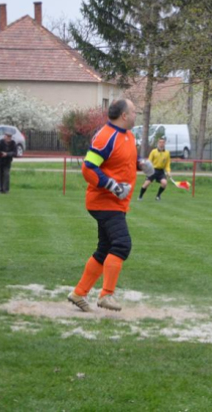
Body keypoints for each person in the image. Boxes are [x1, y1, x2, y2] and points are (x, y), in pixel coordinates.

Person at [67, 99, 153, 312]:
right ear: (124, 115)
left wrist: (142, 165)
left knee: (105, 249)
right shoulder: (106, 136)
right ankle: (106, 295)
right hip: (104, 201)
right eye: (134, 111)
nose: (136, 115)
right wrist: (112, 186)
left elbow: (122, 162)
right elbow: (88, 168)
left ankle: (79, 293)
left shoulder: (128, 136)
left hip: (116, 202)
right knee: (122, 245)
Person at [138, 137, 171, 201]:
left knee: (164, 183)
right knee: (146, 184)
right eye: (160, 142)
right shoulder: (153, 151)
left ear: (165, 144)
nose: (161, 144)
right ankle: (140, 196)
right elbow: (149, 161)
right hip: (152, 170)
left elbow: (167, 164)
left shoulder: (167, 153)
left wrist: (168, 171)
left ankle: (158, 196)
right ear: (158, 143)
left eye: (163, 142)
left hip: (161, 171)